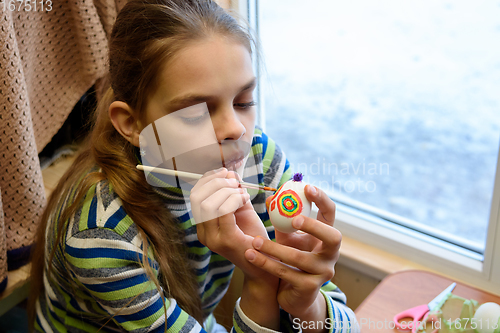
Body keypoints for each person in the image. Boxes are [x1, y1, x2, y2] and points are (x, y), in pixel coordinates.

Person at [28, 0, 359, 332]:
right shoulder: (103, 233)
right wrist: (261, 279)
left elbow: (347, 325)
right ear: (131, 123)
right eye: (195, 113)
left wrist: (306, 299)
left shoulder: (256, 158)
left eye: (243, 102)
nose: (236, 130)